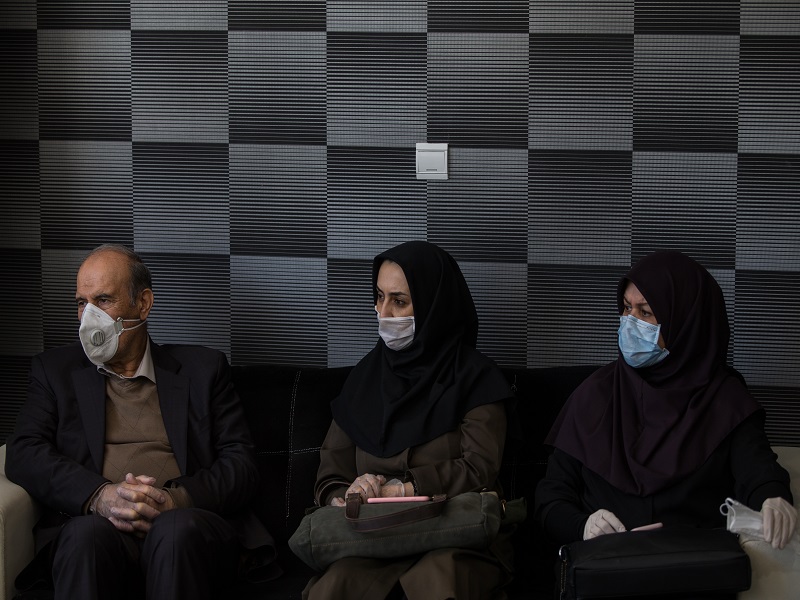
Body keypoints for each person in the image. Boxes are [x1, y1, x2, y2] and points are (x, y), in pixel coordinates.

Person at [6, 244, 276, 600]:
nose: (89, 317)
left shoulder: (203, 370)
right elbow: (23, 452)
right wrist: (99, 496)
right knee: (85, 535)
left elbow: (241, 465)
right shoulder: (55, 372)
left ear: (143, 303)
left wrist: (175, 500)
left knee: (174, 530)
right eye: (81, 303)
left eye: (103, 300)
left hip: (187, 531)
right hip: (99, 530)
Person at [535, 250, 797, 551]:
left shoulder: (725, 400)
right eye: (626, 308)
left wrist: (773, 500)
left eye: (645, 312)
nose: (629, 323)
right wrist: (583, 526)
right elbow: (550, 502)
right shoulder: (594, 394)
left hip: (692, 565)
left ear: (686, 322)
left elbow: (760, 475)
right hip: (605, 566)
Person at [303, 241, 514, 600]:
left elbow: (480, 467)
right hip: (372, 538)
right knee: (336, 585)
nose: (383, 312)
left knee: (439, 581)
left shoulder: (476, 378)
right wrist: (349, 494)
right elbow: (330, 477)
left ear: (434, 305)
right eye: (379, 297)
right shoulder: (364, 379)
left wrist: (405, 489)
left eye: (399, 301)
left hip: (451, 535)